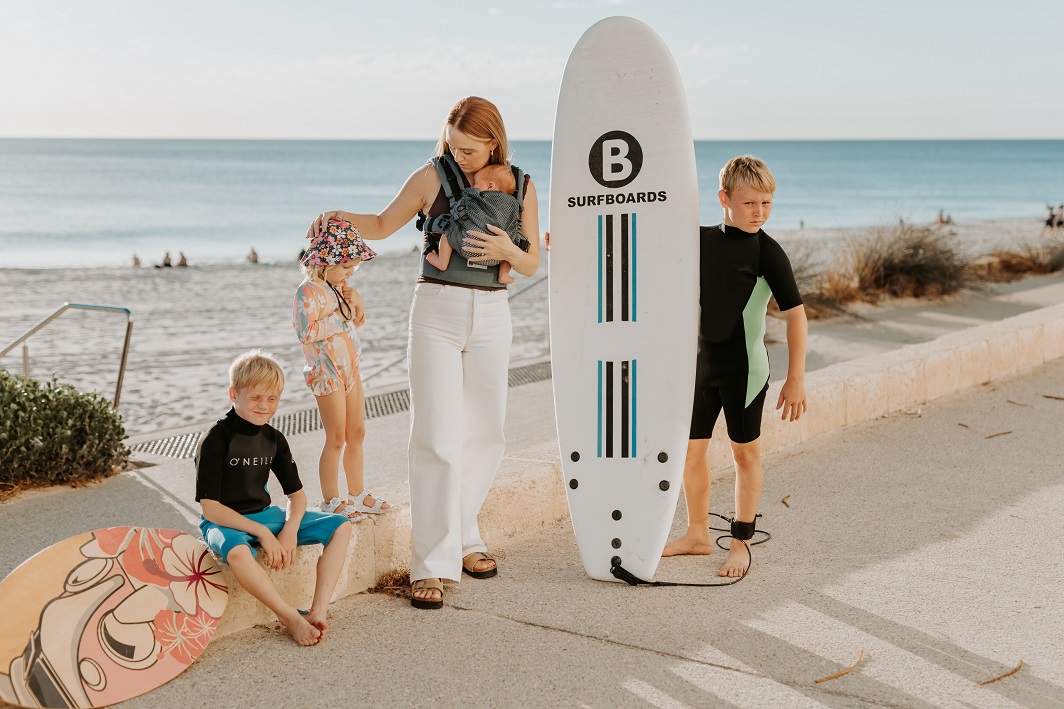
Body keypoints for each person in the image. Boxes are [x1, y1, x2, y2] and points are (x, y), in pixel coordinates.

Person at [307, 96, 541, 609]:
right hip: (436, 309)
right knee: (435, 437)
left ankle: (466, 535)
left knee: (487, 433)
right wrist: (334, 217)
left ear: (494, 143)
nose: (460, 156)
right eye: (454, 147)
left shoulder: (522, 184)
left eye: (471, 150)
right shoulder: (430, 176)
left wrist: (509, 252)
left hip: (493, 312)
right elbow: (384, 224)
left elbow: (531, 263)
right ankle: (431, 564)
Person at [662, 155, 808, 577]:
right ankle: (697, 534)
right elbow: (642, 244)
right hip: (704, 366)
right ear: (724, 198)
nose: (759, 212)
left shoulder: (767, 252)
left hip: (747, 370)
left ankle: (741, 542)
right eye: (750, 203)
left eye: (766, 204)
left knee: (745, 455)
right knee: (690, 453)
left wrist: (795, 377)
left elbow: (796, 314)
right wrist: (561, 240)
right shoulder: (699, 240)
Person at [195, 349, 353, 645]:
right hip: (224, 522)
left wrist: (290, 530)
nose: (264, 406)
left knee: (341, 526)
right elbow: (210, 507)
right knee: (240, 553)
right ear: (234, 394)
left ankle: (318, 611)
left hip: (266, 516)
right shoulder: (215, 439)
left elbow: (297, 495)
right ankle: (289, 617)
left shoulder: (274, 440)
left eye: (272, 399)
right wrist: (261, 534)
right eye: (255, 398)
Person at [294, 218, 390, 522]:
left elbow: (356, 321)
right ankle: (330, 498)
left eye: (354, 268)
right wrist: (340, 316)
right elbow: (305, 332)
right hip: (326, 373)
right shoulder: (307, 292)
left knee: (356, 432)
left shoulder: (340, 288)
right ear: (325, 262)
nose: (351, 273)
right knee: (335, 436)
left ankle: (357, 492)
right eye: (347, 266)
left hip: (351, 370)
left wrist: (357, 304)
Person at [424, 162, 525, 284]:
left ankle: (442, 262)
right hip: (498, 255)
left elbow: (459, 210)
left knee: (447, 235)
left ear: (490, 186)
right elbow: (515, 224)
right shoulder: (513, 204)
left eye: (475, 183)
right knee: (511, 241)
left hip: (467, 245)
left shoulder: (476, 196)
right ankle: (503, 274)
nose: (472, 186)